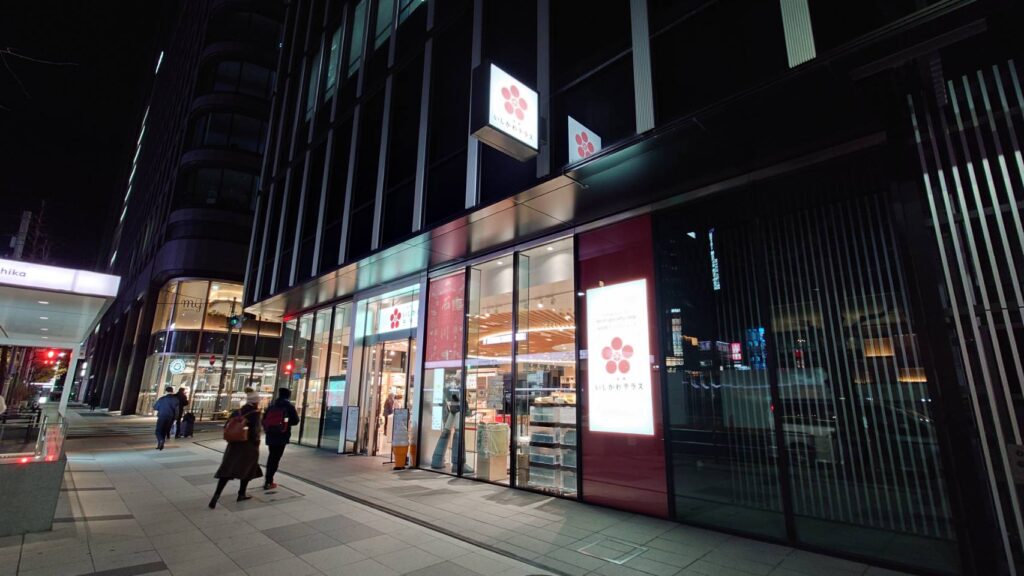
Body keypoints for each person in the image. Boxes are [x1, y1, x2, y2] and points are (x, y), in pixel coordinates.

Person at [209, 389, 263, 508]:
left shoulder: (237, 412)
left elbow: (227, 426)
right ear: (256, 402)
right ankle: (241, 493)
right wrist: (256, 442)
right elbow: (255, 432)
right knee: (247, 470)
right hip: (248, 447)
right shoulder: (255, 414)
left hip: (233, 445)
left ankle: (216, 495)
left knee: (227, 470)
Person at [262, 388, 300, 490]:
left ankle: (268, 479)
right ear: (288, 396)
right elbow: (296, 421)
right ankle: (269, 481)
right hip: (282, 435)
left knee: (272, 457)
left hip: (270, 435)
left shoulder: (272, 405)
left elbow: (264, 419)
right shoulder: (289, 406)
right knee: (275, 458)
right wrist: (286, 423)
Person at [153, 386, 180, 450]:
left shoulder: (162, 399)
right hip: (170, 417)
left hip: (162, 416)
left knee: (158, 431)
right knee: (165, 431)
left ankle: (160, 440)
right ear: (172, 391)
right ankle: (160, 445)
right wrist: (175, 418)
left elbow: (155, 407)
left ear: (166, 391)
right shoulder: (176, 400)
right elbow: (177, 411)